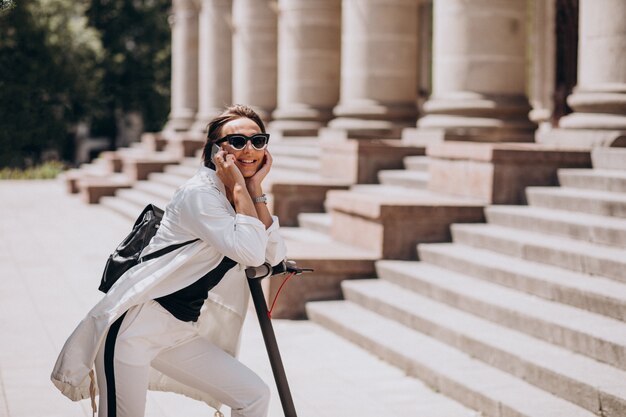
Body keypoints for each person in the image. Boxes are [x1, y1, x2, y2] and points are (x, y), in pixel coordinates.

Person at [51, 104, 287, 417]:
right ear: (214, 151)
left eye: (258, 141)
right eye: (237, 142)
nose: (249, 150)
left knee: (253, 395)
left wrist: (254, 188)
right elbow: (252, 254)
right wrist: (245, 189)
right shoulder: (200, 195)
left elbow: (273, 255)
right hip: (133, 330)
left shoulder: (236, 194)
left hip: (178, 331)